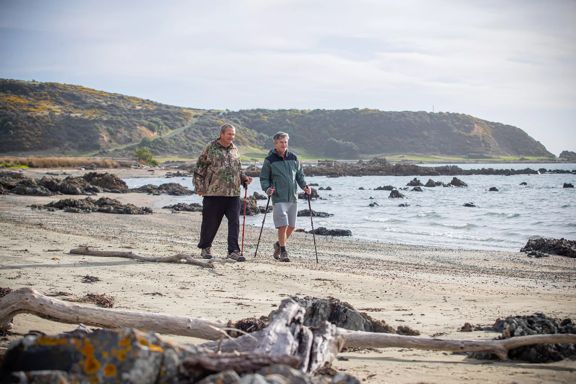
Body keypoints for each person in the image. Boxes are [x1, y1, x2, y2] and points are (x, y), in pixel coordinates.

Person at [193, 123, 252, 261]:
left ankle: (233, 251)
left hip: (233, 193)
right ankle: (205, 248)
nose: (232, 137)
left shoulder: (235, 149)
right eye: (229, 134)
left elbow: (238, 169)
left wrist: (244, 179)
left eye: (233, 134)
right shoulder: (210, 147)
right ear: (222, 134)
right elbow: (199, 168)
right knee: (210, 222)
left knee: (234, 222)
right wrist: (199, 187)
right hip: (213, 192)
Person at [260, 132, 311, 262]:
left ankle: (278, 244)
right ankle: (283, 251)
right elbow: (264, 178)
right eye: (281, 142)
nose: (284, 144)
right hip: (278, 197)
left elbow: (300, 176)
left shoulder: (294, 158)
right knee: (283, 225)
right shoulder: (269, 160)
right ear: (275, 143)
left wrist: (305, 186)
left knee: (292, 226)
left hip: (292, 197)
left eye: (285, 142)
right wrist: (267, 189)